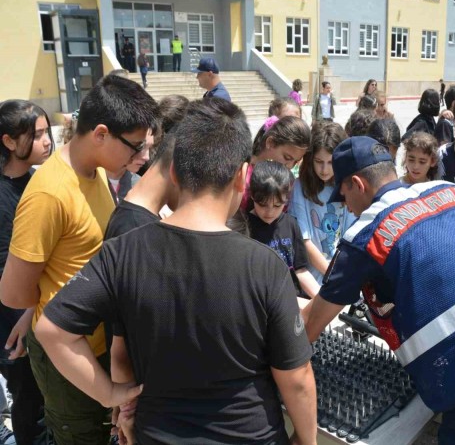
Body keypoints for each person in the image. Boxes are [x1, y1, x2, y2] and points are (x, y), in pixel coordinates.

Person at [33, 98, 317, 445]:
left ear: (174, 172)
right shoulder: (265, 266)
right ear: (243, 177)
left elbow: (54, 331)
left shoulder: (122, 253)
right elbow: (297, 377)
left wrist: (110, 394)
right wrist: (307, 440)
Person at [302, 135, 455, 445]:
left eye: (343, 197)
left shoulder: (366, 234)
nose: (348, 209)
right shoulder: (452, 191)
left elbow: (311, 325)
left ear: (357, 184)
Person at [0, 75, 159, 445]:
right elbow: (12, 292)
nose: (141, 157)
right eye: (134, 146)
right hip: (67, 357)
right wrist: (38, 309)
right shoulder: (50, 194)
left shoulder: (99, 171)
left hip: (99, 344)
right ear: (101, 134)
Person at [0, 100, 53, 445]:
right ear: (8, 142)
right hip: (12, 321)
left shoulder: (36, 182)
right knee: (28, 398)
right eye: (37, 135)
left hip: (35, 312)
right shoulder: (5, 196)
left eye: (48, 132)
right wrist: (24, 316)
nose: (47, 141)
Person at [290, 122, 355, 283]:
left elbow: (350, 235)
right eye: (319, 161)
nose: (324, 169)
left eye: (331, 162)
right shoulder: (300, 187)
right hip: (313, 277)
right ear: (311, 158)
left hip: (341, 271)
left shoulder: (347, 186)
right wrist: (331, 274)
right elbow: (303, 240)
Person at [248, 161, 320, 299]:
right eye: (263, 204)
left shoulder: (290, 224)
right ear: (252, 195)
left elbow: (301, 270)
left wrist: (320, 300)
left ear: (286, 199)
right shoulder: (244, 227)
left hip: (293, 297)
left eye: (277, 205)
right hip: (264, 302)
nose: (269, 212)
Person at [240, 115, 311, 212]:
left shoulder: (288, 182)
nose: (290, 166)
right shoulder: (242, 176)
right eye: (287, 157)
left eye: (295, 162)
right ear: (270, 143)